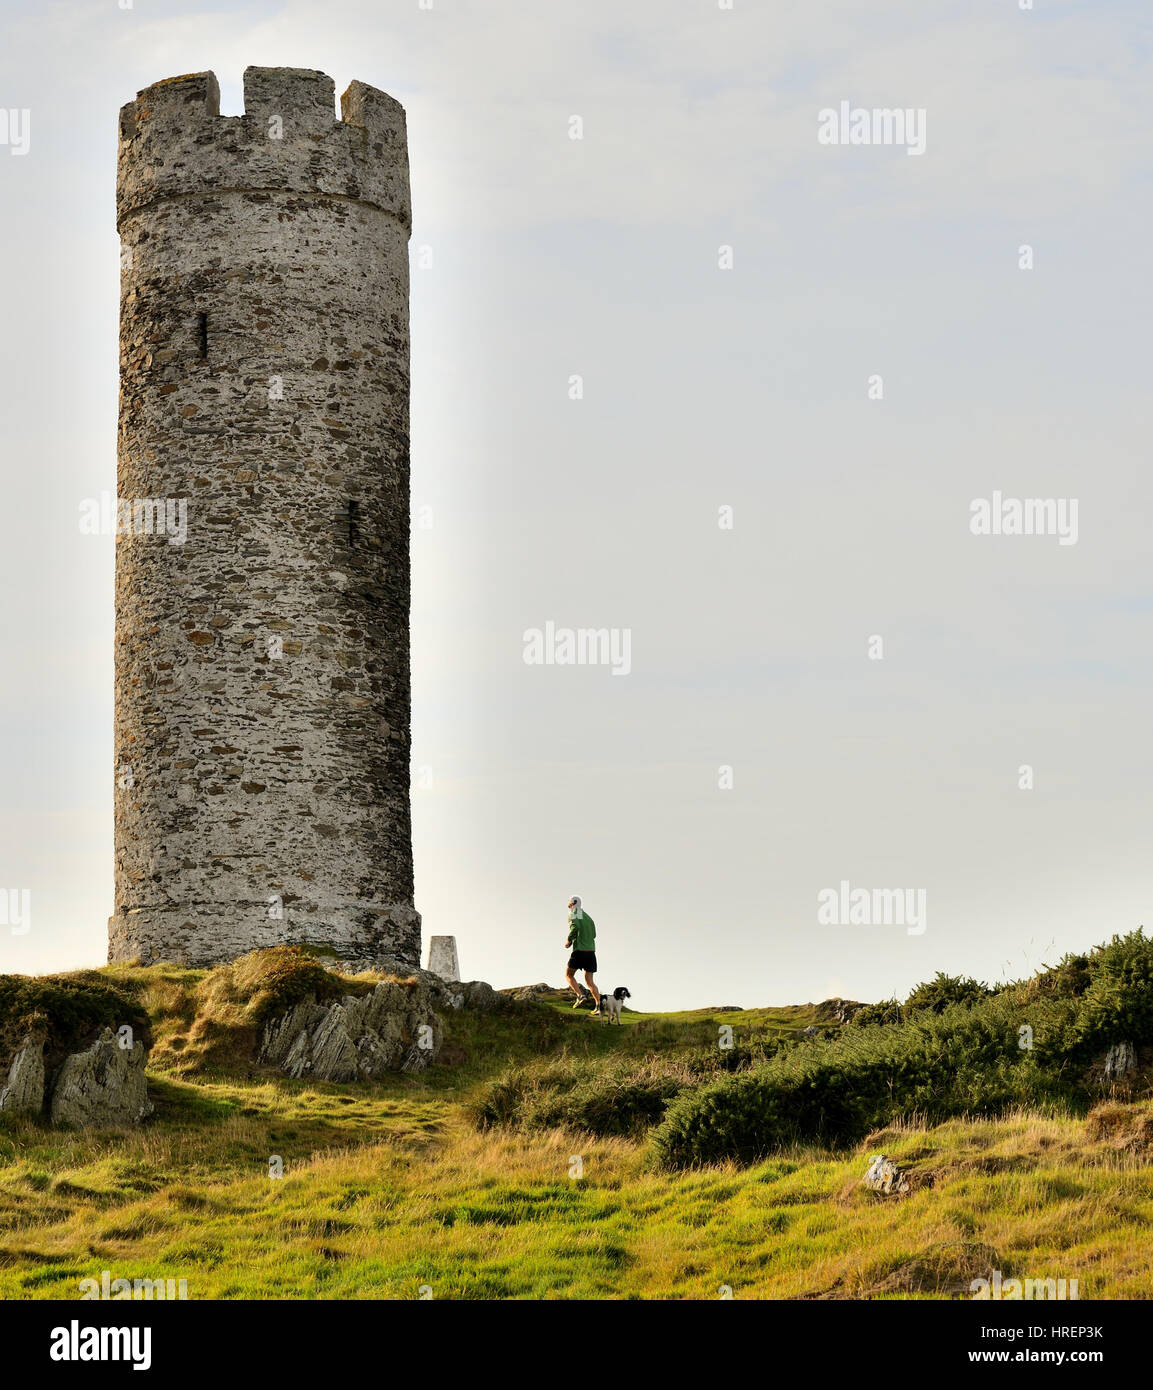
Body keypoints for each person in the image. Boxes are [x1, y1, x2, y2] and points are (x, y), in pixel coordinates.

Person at [564, 895, 601, 1010]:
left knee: (568, 975)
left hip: (579, 950)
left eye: (569, 905)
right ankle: (599, 1006)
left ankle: (580, 995)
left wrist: (569, 940)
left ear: (572, 904)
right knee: (590, 981)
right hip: (591, 951)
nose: (569, 908)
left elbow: (575, 928)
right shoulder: (589, 918)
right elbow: (594, 934)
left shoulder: (574, 914)